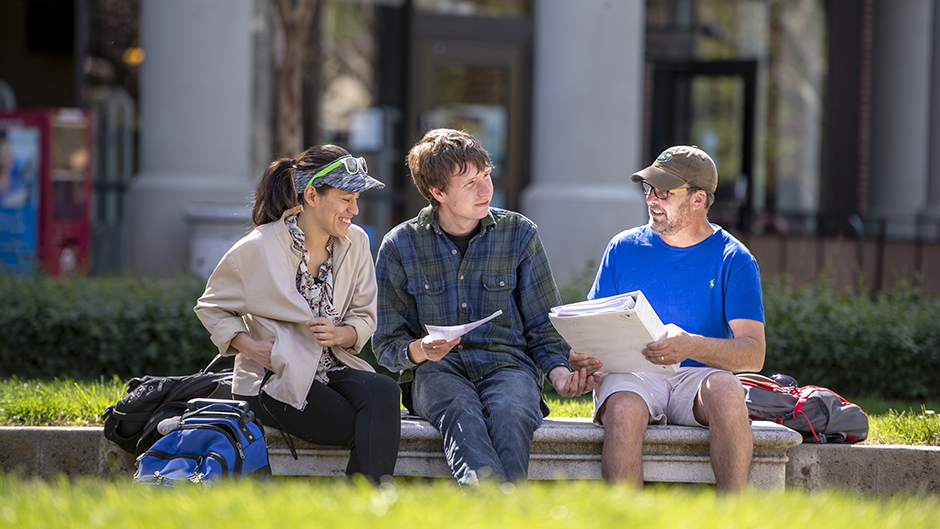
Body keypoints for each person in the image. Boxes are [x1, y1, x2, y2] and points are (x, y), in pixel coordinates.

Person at [372, 128, 597, 486]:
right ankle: (504, 512)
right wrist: (418, 350)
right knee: (461, 415)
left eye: (486, 175)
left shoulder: (520, 234)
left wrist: (558, 374)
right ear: (437, 192)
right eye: (470, 183)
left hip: (508, 366)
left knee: (511, 413)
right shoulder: (400, 245)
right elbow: (385, 344)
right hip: (436, 371)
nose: (485, 189)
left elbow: (544, 325)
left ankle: (492, 513)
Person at [194, 144, 401, 483]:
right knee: (368, 425)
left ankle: (364, 506)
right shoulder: (257, 247)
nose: (355, 210)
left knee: (384, 390)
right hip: (274, 380)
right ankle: (369, 506)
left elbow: (363, 318)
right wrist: (250, 347)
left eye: (357, 199)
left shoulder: (357, 242)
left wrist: (339, 334)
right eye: (347, 199)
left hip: (332, 366)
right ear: (312, 195)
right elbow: (211, 306)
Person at [570, 145, 765, 493]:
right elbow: (592, 327)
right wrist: (582, 355)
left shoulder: (734, 258)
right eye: (648, 189)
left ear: (698, 199)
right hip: (633, 376)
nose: (651, 199)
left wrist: (692, 345)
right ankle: (625, 521)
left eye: (664, 191)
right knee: (624, 411)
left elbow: (753, 354)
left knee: (727, 390)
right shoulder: (622, 248)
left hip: (698, 376)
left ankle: (733, 515)